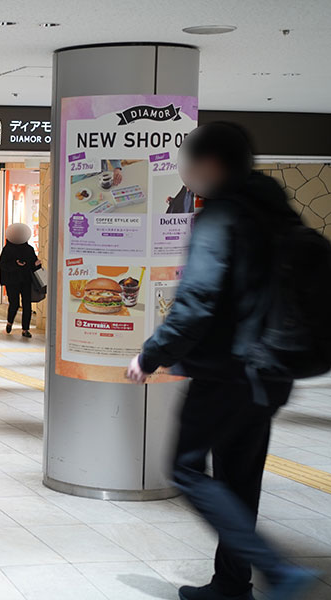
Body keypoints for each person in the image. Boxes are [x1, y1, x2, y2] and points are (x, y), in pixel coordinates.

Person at [126, 122, 316, 600]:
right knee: (238, 479)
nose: (184, 170)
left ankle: (276, 567)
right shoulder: (277, 214)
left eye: (187, 160)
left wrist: (151, 355)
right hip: (270, 372)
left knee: (186, 469)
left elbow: (198, 300)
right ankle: (231, 586)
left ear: (211, 164)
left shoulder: (221, 217)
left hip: (228, 372)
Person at [0, 238, 42, 338]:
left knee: (27, 304)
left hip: (26, 281)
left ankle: (25, 329)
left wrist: (36, 265)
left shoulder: (28, 249)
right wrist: (15, 265)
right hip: (12, 281)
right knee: (14, 304)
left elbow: (34, 264)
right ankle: (10, 322)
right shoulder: (8, 249)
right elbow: (2, 265)